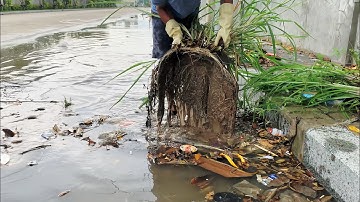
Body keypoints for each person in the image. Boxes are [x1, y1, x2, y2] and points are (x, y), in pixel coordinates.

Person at [151, 0, 234, 59]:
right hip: (163, 15)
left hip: (190, 12)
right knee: (164, 56)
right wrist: (174, 31)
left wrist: (225, 26)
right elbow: (161, 7)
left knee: (188, 55)